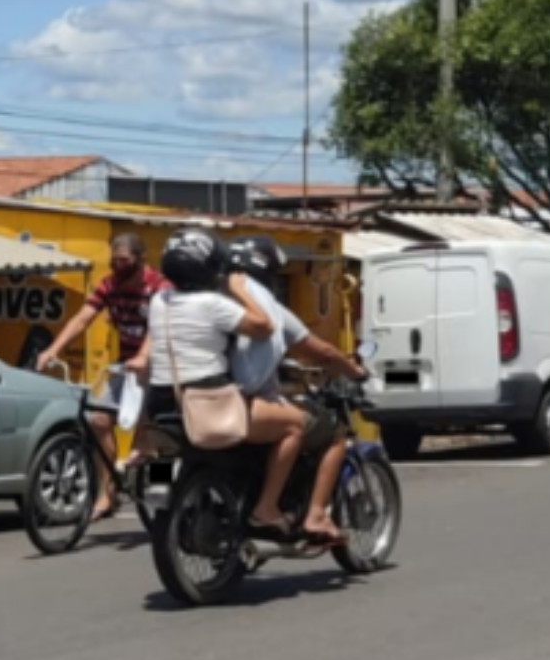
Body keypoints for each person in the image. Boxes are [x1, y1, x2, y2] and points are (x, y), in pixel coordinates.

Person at [140, 230, 333, 547]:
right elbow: (263, 326)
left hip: (163, 402)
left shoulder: (159, 301)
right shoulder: (215, 304)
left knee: (166, 449)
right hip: (209, 404)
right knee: (295, 426)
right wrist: (240, 289)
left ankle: (158, 481)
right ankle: (267, 508)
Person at [223, 236, 367, 542]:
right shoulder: (268, 307)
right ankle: (304, 513)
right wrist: (354, 370)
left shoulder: (200, 299)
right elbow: (322, 352)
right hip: (236, 404)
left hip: (186, 403)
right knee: (329, 431)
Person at [35, 233, 168, 519]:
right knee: (97, 420)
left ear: (141, 258)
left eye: (124, 260)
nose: (117, 266)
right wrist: (52, 350)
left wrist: (144, 357)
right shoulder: (109, 285)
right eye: (114, 260)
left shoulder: (159, 287)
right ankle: (108, 491)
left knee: (158, 435)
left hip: (160, 364)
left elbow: (160, 327)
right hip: (125, 364)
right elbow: (82, 318)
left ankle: (164, 487)